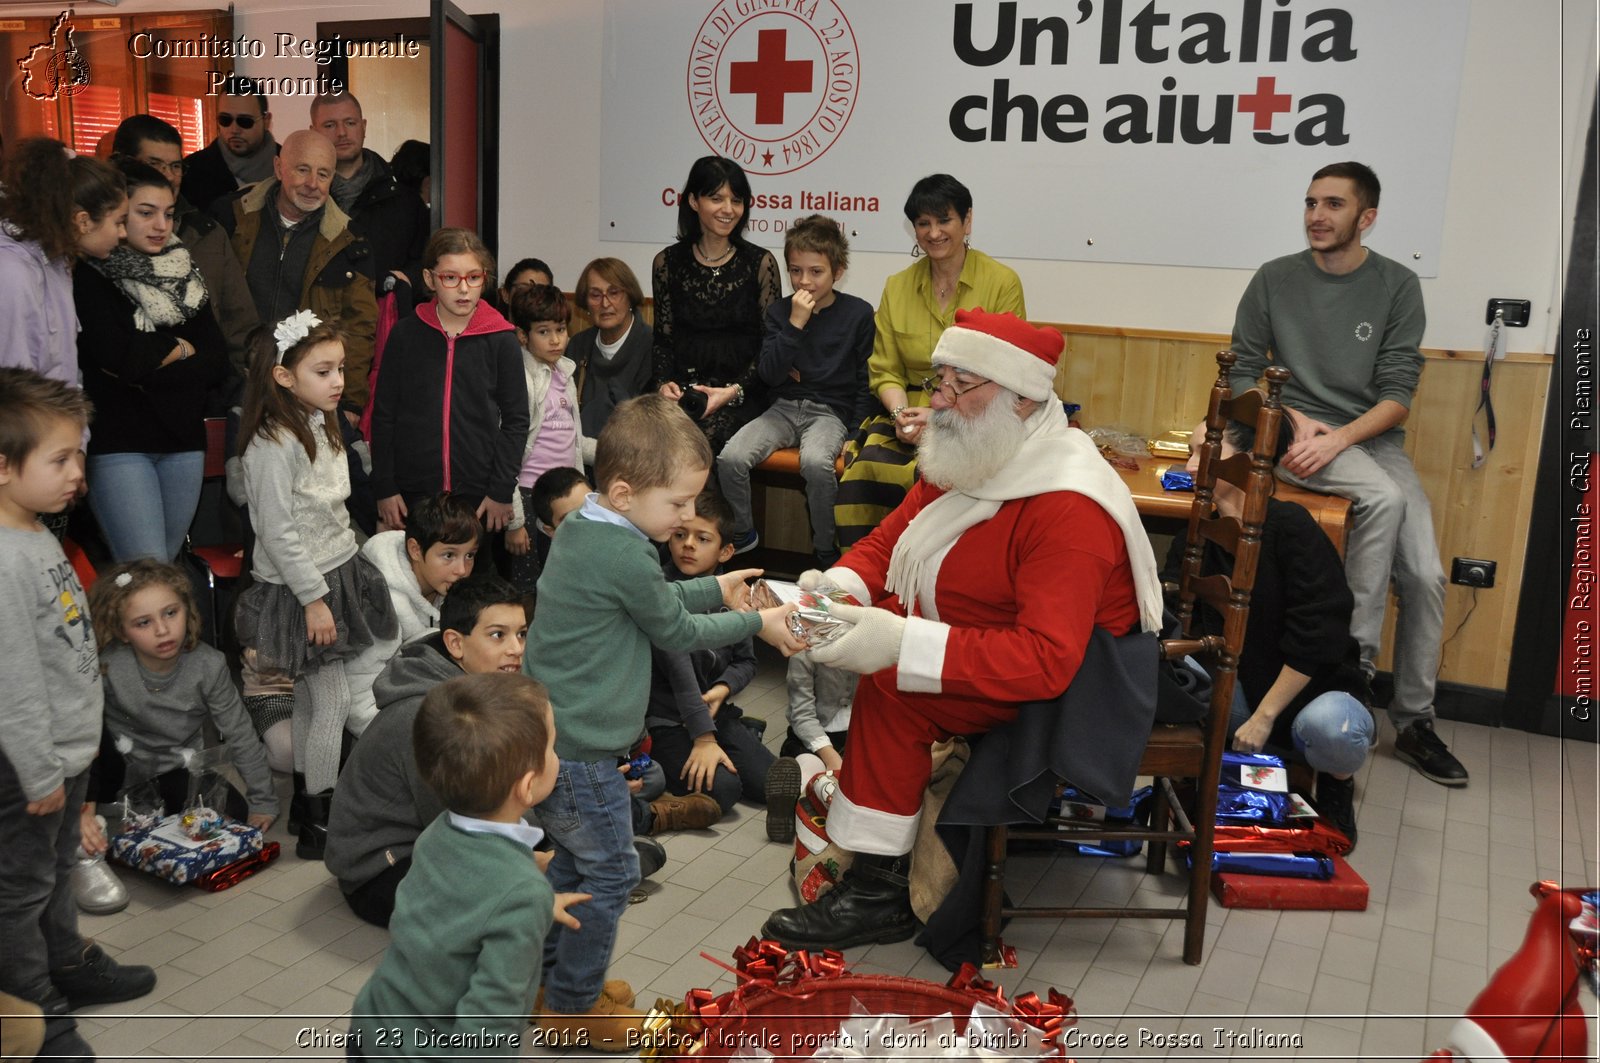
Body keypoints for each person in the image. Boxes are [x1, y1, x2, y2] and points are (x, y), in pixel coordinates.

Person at [760, 310, 1165, 950]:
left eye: (959, 386)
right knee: (891, 652)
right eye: (937, 380)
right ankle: (880, 859)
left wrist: (898, 642)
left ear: (1023, 400)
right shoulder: (983, 450)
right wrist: (832, 589)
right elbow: (891, 542)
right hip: (998, 642)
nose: (937, 402)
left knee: (893, 680)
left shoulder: (1069, 505)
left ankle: (880, 891)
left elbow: (1048, 661)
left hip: (1080, 684)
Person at [523, 394, 803, 1047]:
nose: (685, 520)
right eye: (677, 504)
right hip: (583, 749)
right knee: (613, 870)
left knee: (571, 862)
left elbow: (648, 600)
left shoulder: (593, 529)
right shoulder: (623, 550)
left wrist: (717, 586)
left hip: (561, 740)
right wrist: (757, 620)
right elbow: (669, 624)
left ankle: (548, 982)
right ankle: (573, 1006)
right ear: (623, 490)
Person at [1229, 161, 1467, 787]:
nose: (1316, 215)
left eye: (1333, 205)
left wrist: (1341, 437)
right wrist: (1299, 422)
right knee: (1384, 501)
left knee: (1426, 575)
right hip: (1291, 431)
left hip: (1366, 438)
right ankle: (1353, 665)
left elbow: (1397, 395)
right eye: (1310, 202)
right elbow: (1243, 372)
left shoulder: (1396, 284)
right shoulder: (1274, 279)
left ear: (1367, 218)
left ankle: (1414, 721)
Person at [0, 368, 155, 1061]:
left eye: (79, 455)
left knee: (57, 869)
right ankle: (32, 1014)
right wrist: (40, 771)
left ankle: (64, 963)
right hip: (24, 765)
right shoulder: (4, 560)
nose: (78, 473)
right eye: (59, 458)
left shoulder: (34, 533)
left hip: (60, 753)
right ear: (3, 467)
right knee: (20, 890)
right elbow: (12, 684)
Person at [349, 672, 587, 1057]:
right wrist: (533, 902)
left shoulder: (437, 832)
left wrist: (538, 901)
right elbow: (490, 1022)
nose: (557, 757)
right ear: (527, 787)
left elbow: (463, 899)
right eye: (553, 749)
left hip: (375, 1025)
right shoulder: (521, 896)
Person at [1162, 418, 1374, 848]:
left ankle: (1337, 780)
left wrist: (1264, 716)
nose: (1189, 465)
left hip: (1311, 690)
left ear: (1245, 463)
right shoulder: (1194, 535)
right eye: (1191, 450)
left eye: (1204, 451)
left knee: (1334, 731)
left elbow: (1319, 637)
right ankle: (1231, 781)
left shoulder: (1291, 527)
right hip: (1242, 686)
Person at [233, 315, 398, 860]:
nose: (337, 382)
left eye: (341, 369)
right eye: (322, 370)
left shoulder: (325, 422)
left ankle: (308, 811)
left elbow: (330, 510)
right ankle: (323, 820)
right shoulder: (271, 444)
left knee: (309, 702)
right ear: (283, 376)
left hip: (336, 572)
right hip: (303, 587)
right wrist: (313, 600)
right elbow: (277, 532)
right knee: (329, 703)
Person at [832, 174, 1026, 549]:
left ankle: (927, 580)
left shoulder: (1002, 283)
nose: (934, 232)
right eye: (924, 223)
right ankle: (862, 576)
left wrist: (939, 417)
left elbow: (1005, 372)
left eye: (944, 220)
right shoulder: (897, 285)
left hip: (976, 419)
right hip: (905, 416)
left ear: (967, 221)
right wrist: (901, 415)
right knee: (864, 472)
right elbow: (884, 369)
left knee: (930, 476)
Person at [326, 575, 529, 927]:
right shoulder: (433, 717)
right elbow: (460, 820)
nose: (516, 648)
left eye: (521, 633)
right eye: (498, 635)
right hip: (380, 868)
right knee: (514, 905)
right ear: (455, 643)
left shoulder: (478, 688)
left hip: (430, 840)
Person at [81, 559, 278, 885]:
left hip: (173, 767)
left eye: (170, 613)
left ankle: (148, 820)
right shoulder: (107, 666)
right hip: (117, 767)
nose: (162, 630)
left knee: (232, 812)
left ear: (187, 610)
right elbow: (85, 739)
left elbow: (240, 733)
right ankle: (107, 817)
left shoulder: (208, 665)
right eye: (143, 623)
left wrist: (265, 800)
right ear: (122, 632)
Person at [74, 160, 229, 563]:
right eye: (146, 213)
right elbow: (119, 356)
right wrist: (179, 349)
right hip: (119, 444)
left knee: (165, 573)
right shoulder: (90, 274)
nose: (162, 224)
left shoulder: (183, 273)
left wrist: (151, 364)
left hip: (183, 442)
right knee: (148, 569)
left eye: (169, 213)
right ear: (120, 214)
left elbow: (216, 361)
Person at [717, 214, 874, 565]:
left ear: (838, 270)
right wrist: (795, 325)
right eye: (795, 270)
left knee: (818, 464)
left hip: (829, 413)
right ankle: (744, 534)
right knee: (731, 458)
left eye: (816, 271)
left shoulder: (859, 314)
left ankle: (824, 550)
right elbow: (770, 374)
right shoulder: (780, 312)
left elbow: (865, 382)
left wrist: (855, 432)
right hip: (783, 408)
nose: (804, 281)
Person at [368, 228, 528, 561]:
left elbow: (515, 421)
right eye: (450, 278)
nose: (464, 288)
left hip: (479, 496)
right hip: (413, 493)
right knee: (414, 586)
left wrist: (501, 490)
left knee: (473, 592)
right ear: (430, 278)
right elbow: (383, 415)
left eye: (473, 277)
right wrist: (385, 486)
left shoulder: (501, 339)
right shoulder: (405, 335)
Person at [0, 139, 127, 542]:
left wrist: (75, 452)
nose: (123, 234)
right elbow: (14, 387)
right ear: (82, 220)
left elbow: (66, 372)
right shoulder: (13, 273)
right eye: (118, 221)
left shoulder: (58, 263)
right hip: (19, 469)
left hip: (48, 459)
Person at [214, 128, 379, 419]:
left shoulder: (351, 242)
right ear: (279, 168)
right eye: (302, 170)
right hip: (235, 387)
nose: (312, 184)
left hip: (307, 398)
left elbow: (359, 327)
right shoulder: (230, 218)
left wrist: (351, 402)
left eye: (324, 174)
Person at [648, 490, 777, 818]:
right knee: (725, 791)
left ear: (726, 551)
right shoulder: (658, 589)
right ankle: (658, 773)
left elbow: (746, 661)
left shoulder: (730, 594)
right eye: (680, 535)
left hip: (714, 713)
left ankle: (741, 733)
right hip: (666, 721)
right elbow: (678, 671)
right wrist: (704, 739)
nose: (688, 544)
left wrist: (722, 689)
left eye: (702, 538)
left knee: (770, 784)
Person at [110, 114, 258, 378]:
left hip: (203, 399)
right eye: (154, 164)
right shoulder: (101, 247)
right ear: (124, 166)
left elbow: (238, 328)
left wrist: (240, 394)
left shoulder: (208, 233)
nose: (168, 176)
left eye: (176, 166)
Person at [651, 156, 781, 452]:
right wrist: (662, 384)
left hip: (742, 394)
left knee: (701, 444)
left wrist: (732, 391)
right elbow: (663, 340)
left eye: (736, 200)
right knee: (648, 441)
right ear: (694, 202)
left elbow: (769, 347)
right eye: (716, 198)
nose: (728, 209)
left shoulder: (760, 263)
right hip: (685, 392)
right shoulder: (667, 263)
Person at [342, 493, 482, 737]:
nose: (461, 570)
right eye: (449, 555)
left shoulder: (443, 588)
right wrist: (413, 745)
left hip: (423, 713)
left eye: (469, 555)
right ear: (416, 550)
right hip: (387, 736)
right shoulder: (382, 604)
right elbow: (359, 700)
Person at [504, 284, 591, 593]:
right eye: (544, 332)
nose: (556, 339)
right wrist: (515, 522)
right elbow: (508, 450)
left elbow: (571, 437)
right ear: (523, 336)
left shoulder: (564, 373)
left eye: (561, 329)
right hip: (528, 495)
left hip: (566, 493)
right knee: (528, 583)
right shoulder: (523, 380)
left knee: (564, 579)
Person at [308, 92, 429, 295]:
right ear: (313, 132)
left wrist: (400, 283)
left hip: (386, 320)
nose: (341, 133)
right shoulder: (300, 199)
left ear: (363, 126)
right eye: (330, 125)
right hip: (313, 323)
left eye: (350, 123)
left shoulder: (405, 201)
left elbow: (425, 266)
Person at [764, 654, 856, 843]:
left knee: (853, 779)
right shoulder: (804, 653)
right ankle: (790, 805)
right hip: (813, 737)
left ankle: (809, 806)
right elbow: (802, 715)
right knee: (810, 768)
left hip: (859, 736)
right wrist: (830, 756)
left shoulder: (874, 644)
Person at [569, 257, 653, 448]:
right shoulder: (578, 345)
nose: (605, 303)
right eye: (595, 295)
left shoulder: (652, 345)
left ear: (630, 296)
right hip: (579, 451)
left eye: (614, 293)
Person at [182, 76, 277, 214]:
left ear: (266, 120)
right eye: (225, 120)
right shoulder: (192, 172)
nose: (234, 130)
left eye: (245, 121)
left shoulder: (290, 165)